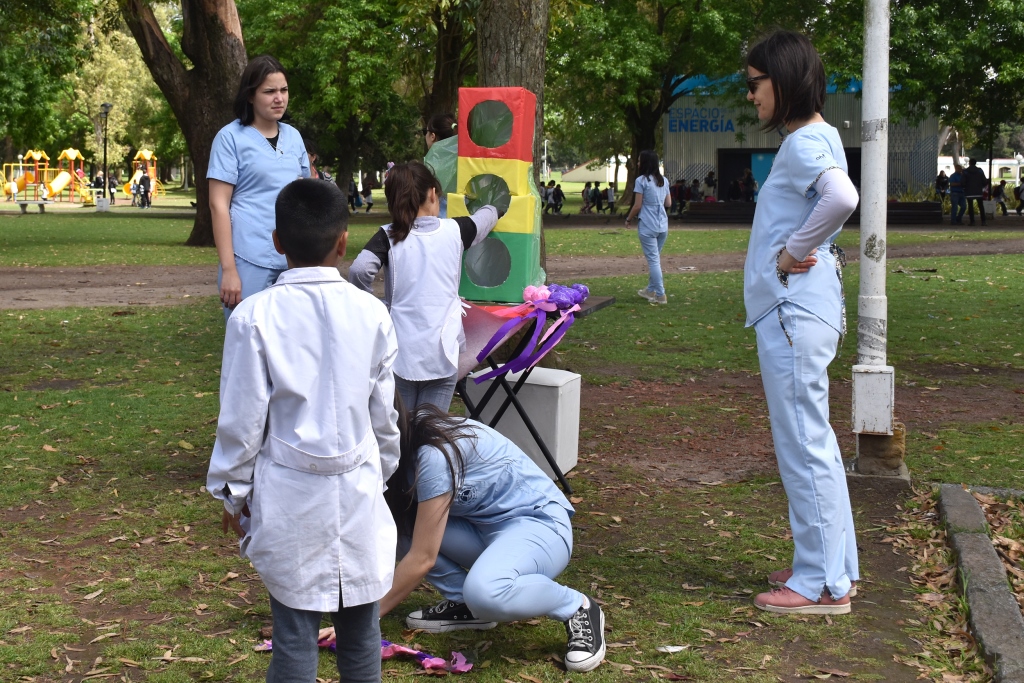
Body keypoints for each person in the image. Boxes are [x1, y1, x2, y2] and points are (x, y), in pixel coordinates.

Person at [207, 178, 400, 683]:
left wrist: (232, 492)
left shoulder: (254, 317)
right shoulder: (373, 314)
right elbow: (384, 415)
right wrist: (381, 474)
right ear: (343, 243)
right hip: (358, 488)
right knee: (362, 635)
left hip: (290, 496)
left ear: (276, 241)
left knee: (294, 637)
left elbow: (242, 419)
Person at [744, 30, 861, 616]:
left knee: (804, 445)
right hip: (804, 311)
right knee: (817, 443)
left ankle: (816, 583)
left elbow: (842, 197)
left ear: (783, 79)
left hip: (793, 312)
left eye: (755, 83)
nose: (751, 95)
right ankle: (834, 570)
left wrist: (792, 250)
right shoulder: (821, 135)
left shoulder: (804, 143)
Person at [380, 403, 606, 673]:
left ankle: (576, 607)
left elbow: (422, 557)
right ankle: (468, 606)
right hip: (482, 530)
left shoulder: (431, 454)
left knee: (486, 592)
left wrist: (363, 620)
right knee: (397, 527)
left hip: (540, 524)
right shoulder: (397, 446)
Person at [348, 161, 498, 411]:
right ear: (432, 193)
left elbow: (359, 269)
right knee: (432, 426)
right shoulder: (456, 230)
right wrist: (493, 206)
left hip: (400, 350)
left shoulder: (388, 235)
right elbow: (487, 217)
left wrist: (377, 307)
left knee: (402, 425)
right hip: (442, 350)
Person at [208, 55, 311, 320]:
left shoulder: (294, 136)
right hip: (247, 258)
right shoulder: (229, 138)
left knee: (293, 338)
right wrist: (229, 269)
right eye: (269, 91)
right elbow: (218, 205)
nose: (279, 98)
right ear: (250, 96)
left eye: (283, 90)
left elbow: (305, 195)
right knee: (247, 336)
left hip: (293, 259)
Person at [625, 150, 672, 305]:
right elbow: (668, 203)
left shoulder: (641, 181)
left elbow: (637, 205)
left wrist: (628, 219)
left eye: (639, 160)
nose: (638, 163)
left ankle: (660, 295)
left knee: (653, 261)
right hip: (662, 225)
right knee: (655, 259)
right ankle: (650, 290)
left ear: (645, 163)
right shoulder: (664, 181)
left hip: (647, 225)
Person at [423, 113, 458, 218]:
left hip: (437, 220)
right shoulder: (463, 159)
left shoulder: (432, 162)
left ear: (432, 136)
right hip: (460, 218)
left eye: (425, 132)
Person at [963, 158, 988, 226]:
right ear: (975, 163)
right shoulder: (980, 170)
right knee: (981, 206)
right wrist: (981, 186)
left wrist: (964, 187)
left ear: (969, 163)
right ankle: (983, 221)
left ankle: (972, 221)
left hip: (969, 191)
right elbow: (984, 181)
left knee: (970, 206)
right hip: (978, 191)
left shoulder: (965, 171)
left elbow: (963, 181)